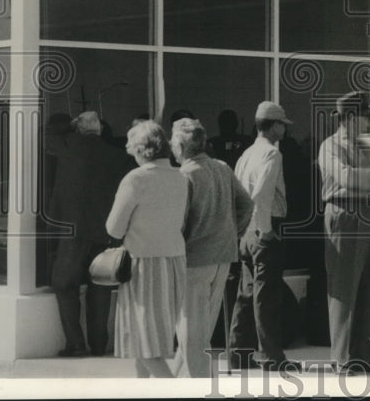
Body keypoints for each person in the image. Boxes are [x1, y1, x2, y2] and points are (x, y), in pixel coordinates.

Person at [317, 91, 370, 374]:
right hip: (345, 214)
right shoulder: (330, 146)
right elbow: (344, 176)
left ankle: (364, 355)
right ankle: (342, 358)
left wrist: (366, 177)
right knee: (344, 287)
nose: (368, 121)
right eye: (365, 115)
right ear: (350, 117)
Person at [171, 118, 253, 378]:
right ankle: (179, 377)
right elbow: (247, 205)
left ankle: (200, 383)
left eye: (174, 143)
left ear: (182, 146)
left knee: (189, 326)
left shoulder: (185, 175)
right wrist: (232, 232)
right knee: (201, 326)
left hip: (194, 258)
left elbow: (179, 222)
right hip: (222, 255)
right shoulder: (222, 168)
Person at [105, 120, 188, 378]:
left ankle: (174, 392)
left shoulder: (136, 179)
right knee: (148, 343)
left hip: (142, 265)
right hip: (173, 262)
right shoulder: (181, 178)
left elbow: (114, 228)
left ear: (142, 150)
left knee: (143, 344)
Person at [45, 110, 131, 357]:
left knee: (64, 284)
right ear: (101, 129)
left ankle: (75, 343)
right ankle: (99, 344)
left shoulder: (68, 145)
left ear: (78, 128)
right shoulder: (117, 155)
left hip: (73, 230)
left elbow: (49, 131)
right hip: (104, 231)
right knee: (100, 286)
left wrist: (68, 125)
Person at [228, 101, 300, 371]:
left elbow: (240, 196)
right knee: (266, 296)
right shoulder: (272, 154)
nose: (284, 129)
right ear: (274, 125)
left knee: (246, 294)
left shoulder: (246, 154)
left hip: (246, 230)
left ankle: (238, 352)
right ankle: (272, 356)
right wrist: (267, 230)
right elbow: (262, 194)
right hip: (264, 227)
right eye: (282, 124)